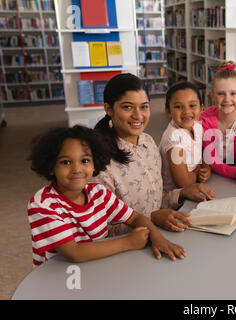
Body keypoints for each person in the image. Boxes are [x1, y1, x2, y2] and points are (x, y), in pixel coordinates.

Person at [27, 125, 186, 267]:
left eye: (85, 160)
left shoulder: (99, 193)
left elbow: (134, 217)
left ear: (94, 163)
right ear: (50, 167)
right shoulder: (42, 204)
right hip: (58, 278)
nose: (77, 169)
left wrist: (157, 237)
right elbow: (74, 252)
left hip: (97, 267)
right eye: (66, 162)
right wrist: (128, 242)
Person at [94, 73, 215, 234]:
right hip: (131, 248)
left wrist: (180, 194)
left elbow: (156, 200)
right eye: (127, 107)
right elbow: (102, 230)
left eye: (144, 106)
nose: (138, 115)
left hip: (162, 232)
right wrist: (151, 219)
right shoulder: (100, 162)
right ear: (109, 109)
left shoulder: (148, 142)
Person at [200, 61, 236, 186]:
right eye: (221, 93)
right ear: (212, 95)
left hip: (231, 170)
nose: (227, 99)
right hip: (213, 174)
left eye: (233, 93)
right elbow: (212, 159)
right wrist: (235, 173)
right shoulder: (204, 119)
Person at [160, 81, 211, 191]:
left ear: (201, 108)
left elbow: (201, 154)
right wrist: (197, 172)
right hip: (176, 197)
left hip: (193, 185)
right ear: (168, 111)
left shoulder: (197, 126)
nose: (187, 111)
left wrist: (206, 168)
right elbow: (182, 182)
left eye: (192, 105)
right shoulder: (173, 137)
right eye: (178, 106)